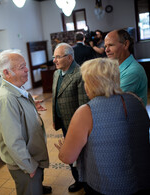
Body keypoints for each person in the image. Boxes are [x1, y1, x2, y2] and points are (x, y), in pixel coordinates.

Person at [54, 58, 150, 194]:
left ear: (92, 84)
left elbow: (67, 157)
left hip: (106, 186)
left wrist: (63, 149)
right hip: (141, 181)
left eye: (85, 81)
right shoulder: (135, 100)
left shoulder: (86, 112)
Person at [0, 50, 51, 195]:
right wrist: (29, 166)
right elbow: (13, 141)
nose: (27, 70)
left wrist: (30, 107)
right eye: (21, 67)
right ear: (7, 73)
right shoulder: (6, 98)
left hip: (32, 156)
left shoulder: (17, 87)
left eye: (25, 65)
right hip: (24, 164)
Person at [52, 43, 89, 192]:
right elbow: (55, 98)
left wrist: (81, 128)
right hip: (63, 121)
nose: (54, 60)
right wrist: (55, 119)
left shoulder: (80, 74)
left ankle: (86, 181)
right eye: (54, 57)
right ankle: (78, 180)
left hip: (76, 125)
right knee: (69, 152)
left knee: (81, 154)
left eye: (58, 57)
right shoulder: (57, 73)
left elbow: (83, 106)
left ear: (69, 57)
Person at [105, 29, 148, 106]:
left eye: (111, 45)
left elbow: (112, 103)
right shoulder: (114, 67)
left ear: (125, 44)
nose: (106, 50)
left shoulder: (133, 71)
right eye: (105, 46)